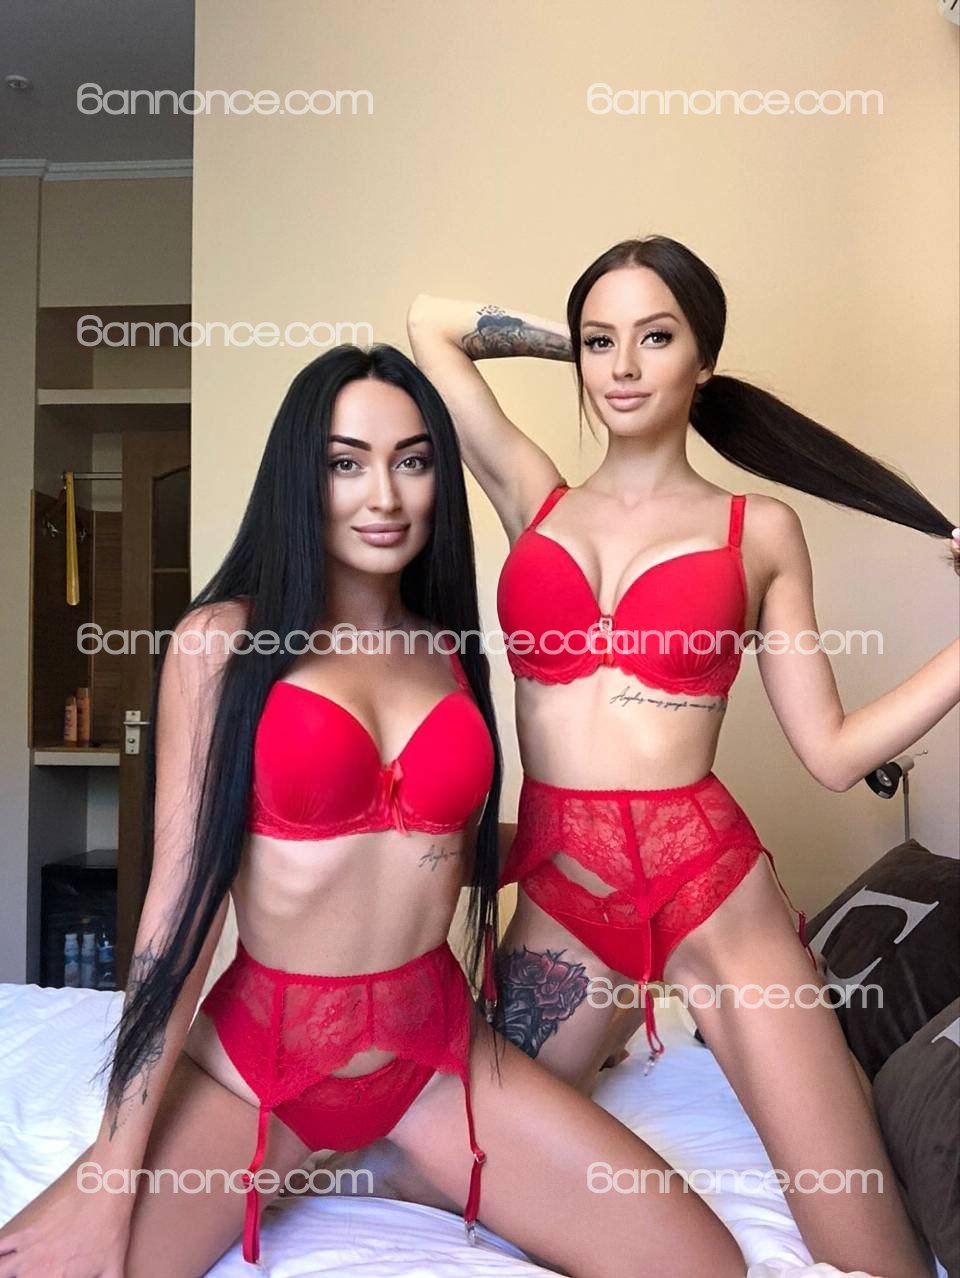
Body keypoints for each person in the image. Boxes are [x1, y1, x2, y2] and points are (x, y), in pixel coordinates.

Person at [0, 344, 746, 1278]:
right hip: (258, 1070)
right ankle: (334, 1155)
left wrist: (629, 860)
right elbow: (177, 914)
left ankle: (393, 1161)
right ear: (300, 477)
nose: (384, 496)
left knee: (700, 1264)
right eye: (346, 463)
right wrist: (112, 1178)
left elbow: (431, 847)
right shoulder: (223, 644)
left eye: (413, 461)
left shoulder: (448, 651)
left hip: (432, 1059)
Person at [405, 237, 960, 1278]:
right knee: (447, 1165)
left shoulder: (759, 530)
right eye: (600, 342)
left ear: (703, 359)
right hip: (565, 898)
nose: (622, 367)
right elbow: (431, 324)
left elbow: (834, 755)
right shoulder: (536, 498)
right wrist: (579, 340)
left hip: (712, 893)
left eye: (655, 339)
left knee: (873, 1254)